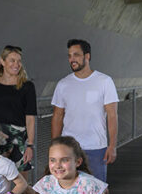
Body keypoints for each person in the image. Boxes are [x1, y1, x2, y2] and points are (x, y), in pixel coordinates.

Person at [51, 39, 118, 183]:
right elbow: (57, 116)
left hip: (96, 147)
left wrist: (112, 146)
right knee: (67, 191)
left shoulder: (104, 81)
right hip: (68, 148)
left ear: (87, 56)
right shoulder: (63, 84)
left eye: (76, 55)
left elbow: (112, 116)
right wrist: (55, 146)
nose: (72, 59)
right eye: (69, 56)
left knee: (98, 191)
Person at [0, 45, 38, 194]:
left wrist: (30, 145)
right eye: (12, 60)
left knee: (21, 183)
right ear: (2, 61)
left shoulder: (27, 86)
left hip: (20, 138)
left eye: (19, 61)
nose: (16, 64)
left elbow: (30, 118)